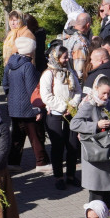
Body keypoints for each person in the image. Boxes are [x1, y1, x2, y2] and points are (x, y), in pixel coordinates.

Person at [71, 77, 110, 209]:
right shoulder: (89, 103)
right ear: (96, 88)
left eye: (109, 93)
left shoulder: (108, 103)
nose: (106, 96)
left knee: (109, 192)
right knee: (96, 192)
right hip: (93, 153)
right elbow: (74, 124)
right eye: (103, 93)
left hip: (105, 152)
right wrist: (96, 125)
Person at [39, 42, 81, 191]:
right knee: (58, 147)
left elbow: (77, 90)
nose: (66, 60)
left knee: (72, 146)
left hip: (71, 114)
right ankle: (58, 177)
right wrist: (63, 107)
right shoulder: (48, 74)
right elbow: (46, 96)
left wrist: (73, 104)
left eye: (67, 57)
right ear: (56, 58)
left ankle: (71, 175)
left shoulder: (70, 72)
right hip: (56, 116)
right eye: (63, 58)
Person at [3, 37, 49, 172]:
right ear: (31, 51)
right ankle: (42, 162)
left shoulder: (9, 65)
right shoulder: (28, 66)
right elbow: (32, 89)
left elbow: (5, 85)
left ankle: (13, 162)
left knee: (17, 136)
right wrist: (38, 109)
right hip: (28, 108)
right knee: (36, 135)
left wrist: (12, 97)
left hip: (14, 107)